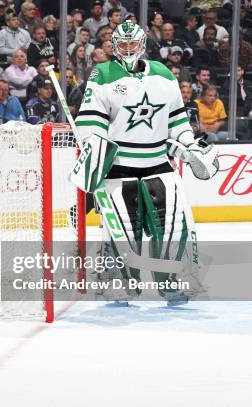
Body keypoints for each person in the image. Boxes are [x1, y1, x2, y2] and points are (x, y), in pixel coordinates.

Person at [74, 22, 216, 305]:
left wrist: (188, 144)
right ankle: (119, 282)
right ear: (114, 46)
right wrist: (95, 147)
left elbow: (177, 119)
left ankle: (172, 281)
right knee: (125, 230)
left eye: (132, 44)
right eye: (122, 45)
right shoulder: (102, 74)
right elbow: (91, 121)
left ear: (141, 45)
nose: (128, 50)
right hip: (118, 166)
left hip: (158, 162)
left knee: (174, 225)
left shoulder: (163, 74)